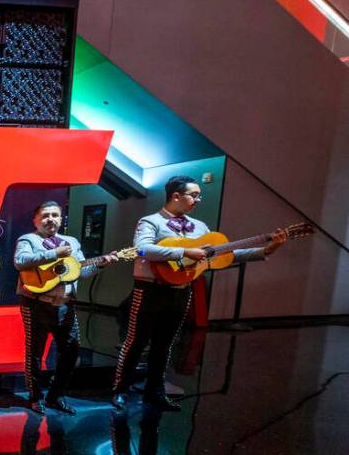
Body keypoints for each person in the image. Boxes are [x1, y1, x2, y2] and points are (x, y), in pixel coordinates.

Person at [112, 176, 285, 411]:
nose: (198, 199)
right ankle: (120, 390)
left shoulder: (200, 227)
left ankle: (155, 391)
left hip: (182, 291)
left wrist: (266, 249)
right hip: (150, 290)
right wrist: (185, 251)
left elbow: (226, 254)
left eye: (199, 195)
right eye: (194, 195)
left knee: (164, 344)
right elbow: (142, 248)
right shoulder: (150, 221)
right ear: (176, 196)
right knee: (136, 341)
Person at [14, 201, 117, 414]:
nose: (50, 219)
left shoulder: (71, 242)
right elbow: (20, 261)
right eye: (45, 215)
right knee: (35, 353)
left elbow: (78, 271)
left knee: (71, 351)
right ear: (35, 219)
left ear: (61, 219)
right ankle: (35, 398)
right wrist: (55, 254)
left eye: (55, 215)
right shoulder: (28, 239)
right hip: (36, 304)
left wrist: (100, 264)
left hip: (65, 305)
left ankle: (56, 395)